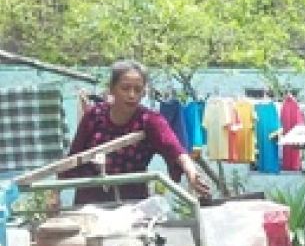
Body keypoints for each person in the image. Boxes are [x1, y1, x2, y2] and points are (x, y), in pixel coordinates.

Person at [63, 60, 211, 205]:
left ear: (144, 93)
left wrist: (192, 174)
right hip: (90, 203)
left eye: (137, 90)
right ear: (112, 89)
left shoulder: (150, 120)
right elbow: (73, 158)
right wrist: (55, 194)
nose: (132, 95)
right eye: (125, 88)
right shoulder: (94, 116)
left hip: (131, 204)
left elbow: (176, 150)